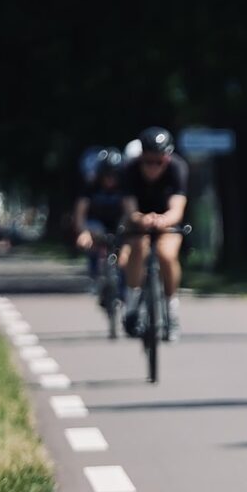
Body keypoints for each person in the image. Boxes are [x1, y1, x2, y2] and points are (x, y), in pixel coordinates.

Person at [119, 126, 189, 340]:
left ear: (167, 158)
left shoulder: (177, 168)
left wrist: (163, 220)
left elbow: (177, 208)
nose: (153, 167)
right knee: (138, 248)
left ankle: (171, 310)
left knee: (166, 255)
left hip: (166, 221)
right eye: (148, 161)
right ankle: (132, 305)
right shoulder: (129, 169)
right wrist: (142, 219)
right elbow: (129, 209)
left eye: (159, 162)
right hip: (139, 220)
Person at [74, 147, 126, 289]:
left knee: (125, 252)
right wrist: (83, 232)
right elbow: (80, 212)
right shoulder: (91, 187)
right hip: (96, 225)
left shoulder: (125, 187)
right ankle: (95, 275)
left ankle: (124, 286)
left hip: (119, 224)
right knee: (91, 239)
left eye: (114, 175)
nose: (110, 179)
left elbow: (129, 212)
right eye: (107, 175)